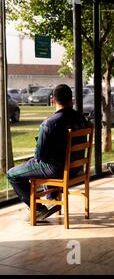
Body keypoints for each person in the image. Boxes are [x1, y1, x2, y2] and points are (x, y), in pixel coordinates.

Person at [7, 84, 90, 221]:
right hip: (76, 169)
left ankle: (38, 209)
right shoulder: (80, 118)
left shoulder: (50, 124)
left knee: (12, 174)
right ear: (71, 100)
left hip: (58, 170)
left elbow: (39, 156)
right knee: (50, 160)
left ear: (53, 100)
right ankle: (52, 198)